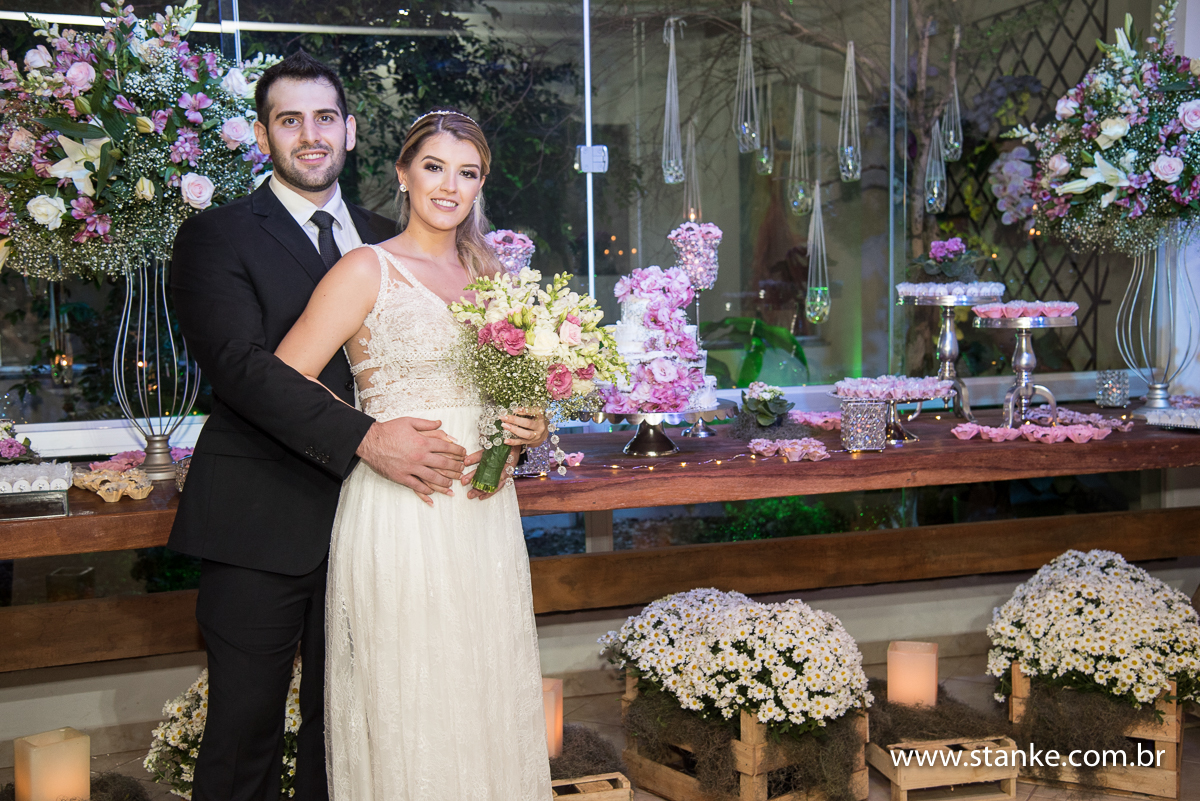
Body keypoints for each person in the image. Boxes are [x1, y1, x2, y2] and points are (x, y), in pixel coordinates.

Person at [170, 52, 470, 801]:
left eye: (325, 117)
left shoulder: (390, 237)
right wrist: (366, 437)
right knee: (245, 732)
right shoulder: (217, 235)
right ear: (264, 134)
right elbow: (241, 369)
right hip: (258, 521)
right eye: (289, 119)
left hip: (380, 527)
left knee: (355, 730)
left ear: (352, 130)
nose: (311, 134)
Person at [274, 109, 553, 798]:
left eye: (468, 172)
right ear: (403, 173)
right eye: (434, 167)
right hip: (401, 505)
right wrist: (371, 436)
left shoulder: (495, 277)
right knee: (412, 685)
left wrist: (529, 424)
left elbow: (515, 389)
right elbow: (281, 379)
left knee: (483, 679)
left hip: (483, 515)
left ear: (481, 184)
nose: (449, 186)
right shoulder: (367, 267)